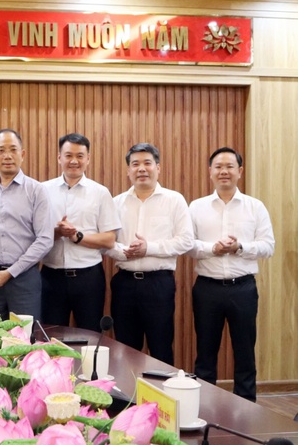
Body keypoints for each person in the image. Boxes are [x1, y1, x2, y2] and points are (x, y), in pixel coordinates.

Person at [189, 147, 274, 402]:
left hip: (243, 288)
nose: (224, 171)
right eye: (218, 166)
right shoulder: (197, 207)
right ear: (210, 172)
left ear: (240, 171)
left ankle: (247, 407)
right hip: (207, 288)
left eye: (229, 166)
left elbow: (268, 246)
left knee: (245, 353)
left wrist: (240, 247)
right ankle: (202, 409)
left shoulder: (255, 207)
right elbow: (188, 245)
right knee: (205, 353)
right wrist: (211, 248)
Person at [106, 143, 193, 365]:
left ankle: (162, 400)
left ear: (158, 168)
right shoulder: (116, 203)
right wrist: (125, 253)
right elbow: (107, 243)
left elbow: (185, 241)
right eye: (135, 164)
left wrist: (148, 249)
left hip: (159, 285)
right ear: (128, 170)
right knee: (125, 350)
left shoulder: (174, 200)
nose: (141, 169)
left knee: (161, 348)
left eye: (147, 163)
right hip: (124, 284)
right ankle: (130, 400)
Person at [0, 129, 54, 321]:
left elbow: (45, 240)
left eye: (13, 150)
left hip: (23, 278)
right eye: (1, 150)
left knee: (23, 341)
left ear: (22, 154)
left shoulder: (37, 191)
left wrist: (11, 272)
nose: (7, 156)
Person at [41, 133, 120, 331]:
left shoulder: (100, 192)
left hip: (89, 278)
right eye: (68, 155)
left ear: (88, 159)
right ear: (59, 158)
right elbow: (33, 234)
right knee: (51, 336)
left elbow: (110, 239)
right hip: (51, 276)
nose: (74, 161)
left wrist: (77, 236)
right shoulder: (42, 190)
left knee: (91, 336)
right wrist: (57, 232)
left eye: (80, 156)